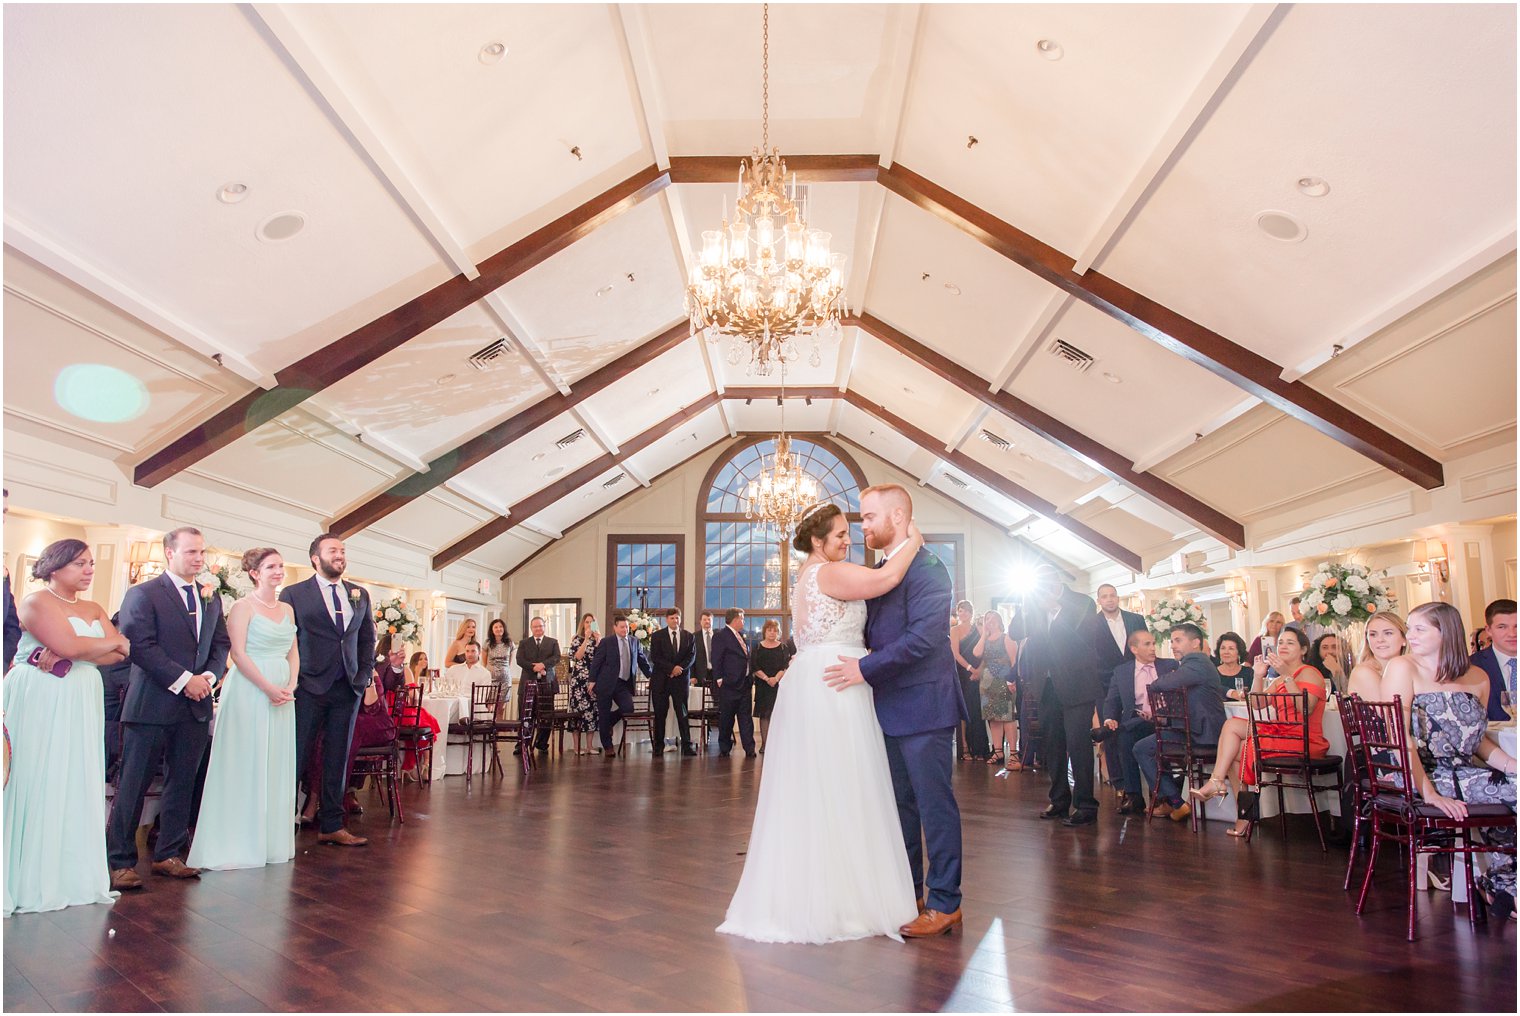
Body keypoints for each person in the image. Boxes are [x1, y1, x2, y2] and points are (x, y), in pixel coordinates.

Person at [720, 500, 923, 943]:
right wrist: (914, 543)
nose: (848, 541)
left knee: (822, 785)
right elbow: (886, 578)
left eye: (849, 534)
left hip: (820, 677)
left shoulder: (807, 576)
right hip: (838, 682)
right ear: (817, 541)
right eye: (839, 536)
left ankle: (822, 889)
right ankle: (846, 896)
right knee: (847, 782)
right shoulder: (828, 573)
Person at [824, 484, 966, 938]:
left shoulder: (929, 569)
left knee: (933, 806)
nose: (862, 526)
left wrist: (864, 668)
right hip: (887, 706)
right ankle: (910, 894)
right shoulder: (885, 568)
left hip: (924, 704)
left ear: (898, 516)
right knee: (899, 808)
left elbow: (924, 639)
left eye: (868, 517)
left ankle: (945, 903)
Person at [4, 539, 128, 916]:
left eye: (90, 563)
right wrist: (93, 644)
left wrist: (84, 646)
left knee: (74, 776)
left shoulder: (93, 607)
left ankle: (68, 873)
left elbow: (121, 650)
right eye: (79, 563)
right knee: (39, 774)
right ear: (55, 567)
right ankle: (26, 874)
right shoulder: (36, 602)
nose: (89, 569)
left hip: (81, 694)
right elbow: (79, 647)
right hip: (43, 695)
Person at [107, 527, 230, 890]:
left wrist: (207, 676)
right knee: (134, 783)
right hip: (152, 703)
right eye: (191, 551)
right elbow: (139, 645)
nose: (199, 558)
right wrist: (182, 680)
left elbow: (220, 643)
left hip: (195, 704)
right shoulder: (143, 594)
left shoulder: (211, 598)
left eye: (202, 552)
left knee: (183, 780)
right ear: (169, 553)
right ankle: (120, 861)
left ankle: (169, 853)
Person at [1382, 601, 1516, 919]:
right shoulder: (1402, 668)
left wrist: (1512, 766)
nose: (1409, 634)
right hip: (1417, 772)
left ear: (1446, 632)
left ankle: (1501, 882)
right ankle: (1502, 883)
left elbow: (1478, 739)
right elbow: (1399, 739)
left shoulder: (1479, 677)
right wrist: (1430, 793)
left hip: (1464, 771)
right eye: (1409, 627)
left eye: (1419, 628)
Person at [187, 548, 298, 871]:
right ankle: (238, 839)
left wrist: (291, 683)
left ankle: (270, 840)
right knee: (247, 759)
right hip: (250, 688)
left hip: (282, 689)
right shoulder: (242, 607)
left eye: (280, 566)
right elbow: (237, 654)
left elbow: (293, 652)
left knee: (274, 761)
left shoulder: (288, 609)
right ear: (254, 573)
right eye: (271, 567)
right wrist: (266, 686)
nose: (278, 572)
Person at [281, 532, 376, 848]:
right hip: (308, 685)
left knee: (338, 756)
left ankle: (332, 824)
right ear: (315, 557)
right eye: (333, 550)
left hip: (347, 687)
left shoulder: (359, 594)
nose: (340, 554)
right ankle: (281, 823)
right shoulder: (294, 593)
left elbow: (366, 640)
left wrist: (362, 678)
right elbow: (287, 640)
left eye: (343, 550)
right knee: (295, 756)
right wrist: (294, 679)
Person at [1191, 626, 1324, 837]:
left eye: (1290, 642)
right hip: (1280, 734)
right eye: (1280, 642)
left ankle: (1242, 814)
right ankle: (1223, 788)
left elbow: (1305, 709)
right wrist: (1259, 676)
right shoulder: (1279, 679)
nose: (1283, 646)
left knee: (1238, 745)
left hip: (1303, 739)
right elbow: (1257, 704)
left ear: (1304, 649)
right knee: (1234, 734)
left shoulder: (1310, 673)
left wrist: (1288, 676)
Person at [1017, 565, 1101, 827]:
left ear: (1055, 580)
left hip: (1077, 684)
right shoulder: (1034, 606)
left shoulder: (1082, 602)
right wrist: (1027, 603)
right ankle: (1059, 800)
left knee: (1078, 744)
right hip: (1047, 685)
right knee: (1052, 745)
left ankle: (1086, 805)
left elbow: (1081, 638)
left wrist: (1054, 607)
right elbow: (1016, 632)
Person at [1131, 624, 1227, 823]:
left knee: (1142, 749)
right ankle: (1173, 800)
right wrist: (1163, 716)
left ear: (1195, 643)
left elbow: (1161, 684)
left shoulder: (1197, 662)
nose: (1172, 645)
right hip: (1191, 731)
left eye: (1178, 640)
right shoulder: (1192, 664)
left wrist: (1157, 684)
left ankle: (1176, 802)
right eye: (1171, 641)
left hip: (1201, 735)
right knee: (1148, 746)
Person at [1093, 630, 1176, 815]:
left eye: (1153, 643)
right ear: (1134, 649)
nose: (1153, 648)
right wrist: (1109, 719)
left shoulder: (1169, 665)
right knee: (1124, 737)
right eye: (1147, 644)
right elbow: (1112, 700)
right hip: (1137, 719)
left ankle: (1163, 797)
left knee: (1129, 732)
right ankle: (1133, 796)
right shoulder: (1122, 671)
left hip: (1163, 721)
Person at [1086, 583, 1147, 782]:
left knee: (1136, 727)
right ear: (1099, 600)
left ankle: (1138, 778)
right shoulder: (1090, 623)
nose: (1109, 599)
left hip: (1134, 681)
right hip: (1104, 685)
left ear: (1118, 598)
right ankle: (1118, 782)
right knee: (1110, 731)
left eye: (1112, 595)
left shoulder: (1135, 619)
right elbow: (1089, 657)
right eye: (1104, 596)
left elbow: (1146, 648)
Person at [588, 615, 651, 758]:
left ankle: (609, 722)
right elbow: (597, 662)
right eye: (622, 627)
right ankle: (608, 746)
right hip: (605, 683)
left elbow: (642, 660)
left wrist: (651, 676)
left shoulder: (634, 641)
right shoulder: (606, 642)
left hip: (623, 683)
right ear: (615, 627)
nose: (625, 629)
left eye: (627, 627)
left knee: (628, 708)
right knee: (604, 712)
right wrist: (592, 680)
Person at [971, 611, 1017, 767]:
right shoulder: (985, 639)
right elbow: (976, 653)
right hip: (987, 682)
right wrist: (984, 634)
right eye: (986, 619)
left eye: (990, 618)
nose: (988, 621)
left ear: (998, 620)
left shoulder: (1006, 638)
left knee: (1007, 717)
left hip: (1003, 680)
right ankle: (997, 750)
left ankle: (1013, 753)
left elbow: (1014, 660)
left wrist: (1013, 680)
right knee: (992, 717)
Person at [649, 608, 697, 756]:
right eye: (672, 618)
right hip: (662, 680)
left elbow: (692, 656)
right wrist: (671, 669)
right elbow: (655, 657)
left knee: (682, 713)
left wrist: (679, 669)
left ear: (680, 619)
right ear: (666, 619)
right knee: (660, 714)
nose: (675, 621)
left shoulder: (689, 636)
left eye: (677, 618)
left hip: (680, 681)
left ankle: (687, 746)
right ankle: (658, 746)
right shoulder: (657, 636)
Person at [710, 608, 756, 757]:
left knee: (746, 718)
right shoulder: (720, 636)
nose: (743, 621)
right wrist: (719, 679)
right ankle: (724, 747)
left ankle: (750, 748)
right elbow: (716, 658)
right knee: (727, 718)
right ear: (736, 619)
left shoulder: (740, 636)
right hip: (729, 685)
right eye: (742, 618)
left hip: (745, 684)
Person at [950, 600, 990, 761]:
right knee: (965, 710)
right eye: (961, 610)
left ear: (971, 612)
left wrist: (979, 669)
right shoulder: (955, 630)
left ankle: (981, 748)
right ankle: (965, 747)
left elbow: (986, 648)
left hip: (980, 672)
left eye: (966, 610)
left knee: (979, 710)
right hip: (963, 673)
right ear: (958, 612)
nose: (963, 613)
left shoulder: (978, 629)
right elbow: (955, 654)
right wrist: (970, 669)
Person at [516, 617, 560, 754]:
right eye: (535, 627)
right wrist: (533, 667)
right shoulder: (524, 643)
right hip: (527, 682)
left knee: (546, 715)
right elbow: (519, 659)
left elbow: (556, 657)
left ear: (544, 626)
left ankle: (541, 743)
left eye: (540, 626)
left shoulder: (553, 642)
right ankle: (522, 743)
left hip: (547, 683)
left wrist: (543, 665)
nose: (538, 629)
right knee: (525, 715)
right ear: (531, 628)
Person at [1469, 598, 1516, 721]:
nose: (1512, 634)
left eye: (1517, 626)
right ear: (1489, 630)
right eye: (1502, 627)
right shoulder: (1472, 666)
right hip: (1492, 739)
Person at [749, 619, 790, 754]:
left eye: (775, 630)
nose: (772, 633)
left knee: (778, 715)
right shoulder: (758, 647)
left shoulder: (783, 647)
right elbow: (754, 667)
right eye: (769, 630)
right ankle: (765, 744)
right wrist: (767, 679)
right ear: (764, 632)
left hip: (779, 685)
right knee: (764, 715)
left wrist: (775, 679)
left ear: (778, 633)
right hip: (763, 685)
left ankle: (777, 745)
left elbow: (785, 666)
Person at [1347, 611, 1407, 700]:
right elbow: (1390, 713)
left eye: (1388, 633)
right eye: (1373, 634)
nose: (1380, 639)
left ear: (1404, 639)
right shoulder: (1363, 672)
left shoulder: (1409, 669)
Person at [566, 613, 601, 755]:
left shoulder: (598, 640)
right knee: (577, 712)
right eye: (587, 622)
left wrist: (598, 641)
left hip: (593, 679)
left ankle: (589, 746)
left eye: (592, 622)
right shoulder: (577, 639)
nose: (589, 625)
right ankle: (576, 747)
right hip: (579, 680)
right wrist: (586, 639)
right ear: (583, 624)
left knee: (591, 712)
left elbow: (601, 658)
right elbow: (577, 657)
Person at [484, 619, 514, 720]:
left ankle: (499, 730)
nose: (498, 629)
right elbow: (484, 662)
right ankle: (489, 729)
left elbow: (509, 662)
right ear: (492, 630)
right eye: (495, 627)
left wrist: (504, 671)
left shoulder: (509, 643)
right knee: (490, 706)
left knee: (501, 708)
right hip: (491, 679)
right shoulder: (487, 643)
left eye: (500, 627)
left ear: (504, 628)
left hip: (505, 679)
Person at [1214, 631, 1251, 699]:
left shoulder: (1249, 673)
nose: (1226, 652)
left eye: (1231, 648)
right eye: (1223, 648)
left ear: (1239, 653)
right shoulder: (1212, 673)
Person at [691, 610, 715, 688]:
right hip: (700, 675)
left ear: (712, 621)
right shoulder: (694, 637)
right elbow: (691, 656)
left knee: (717, 699)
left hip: (717, 674)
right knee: (701, 699)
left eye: (709, 619)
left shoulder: (719, 636)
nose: (707, 621)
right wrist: (692, 675)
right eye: (704, 619)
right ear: (700, 621)